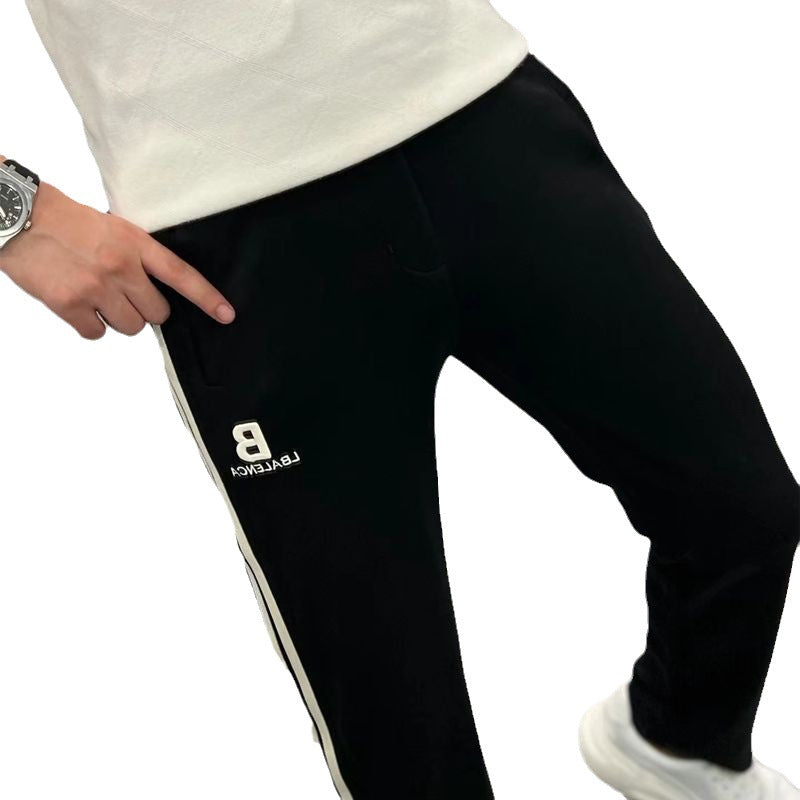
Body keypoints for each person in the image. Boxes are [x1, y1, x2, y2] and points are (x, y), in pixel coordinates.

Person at [1, 2, 797, 798]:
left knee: (742, 508)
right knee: (401, 730)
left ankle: (676, 747)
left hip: (481, 106)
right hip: (233, 226)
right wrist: (18, 214)